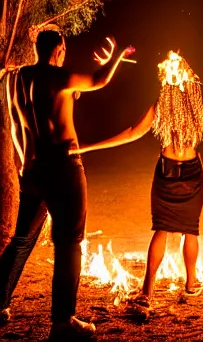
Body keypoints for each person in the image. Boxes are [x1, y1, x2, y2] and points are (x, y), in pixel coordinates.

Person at [71, 50, 203, 316]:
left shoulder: (161, 107)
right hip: (192, 173)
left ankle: (147, 292)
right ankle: (191, 284)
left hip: (166, 171)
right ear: (191, 79)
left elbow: (133, 133)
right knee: (190, 229)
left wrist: (89, 146)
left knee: (162, 229)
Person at [0, 29, 134, 340]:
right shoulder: (59, 77)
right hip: (63, 167)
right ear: (59, 49)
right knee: (70, 242)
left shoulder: (14, 79)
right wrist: (117, 57)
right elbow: (100, 80)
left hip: (31, 170)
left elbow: (48, 105)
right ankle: (63, 321)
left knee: (21, 239)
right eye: (64, 49)